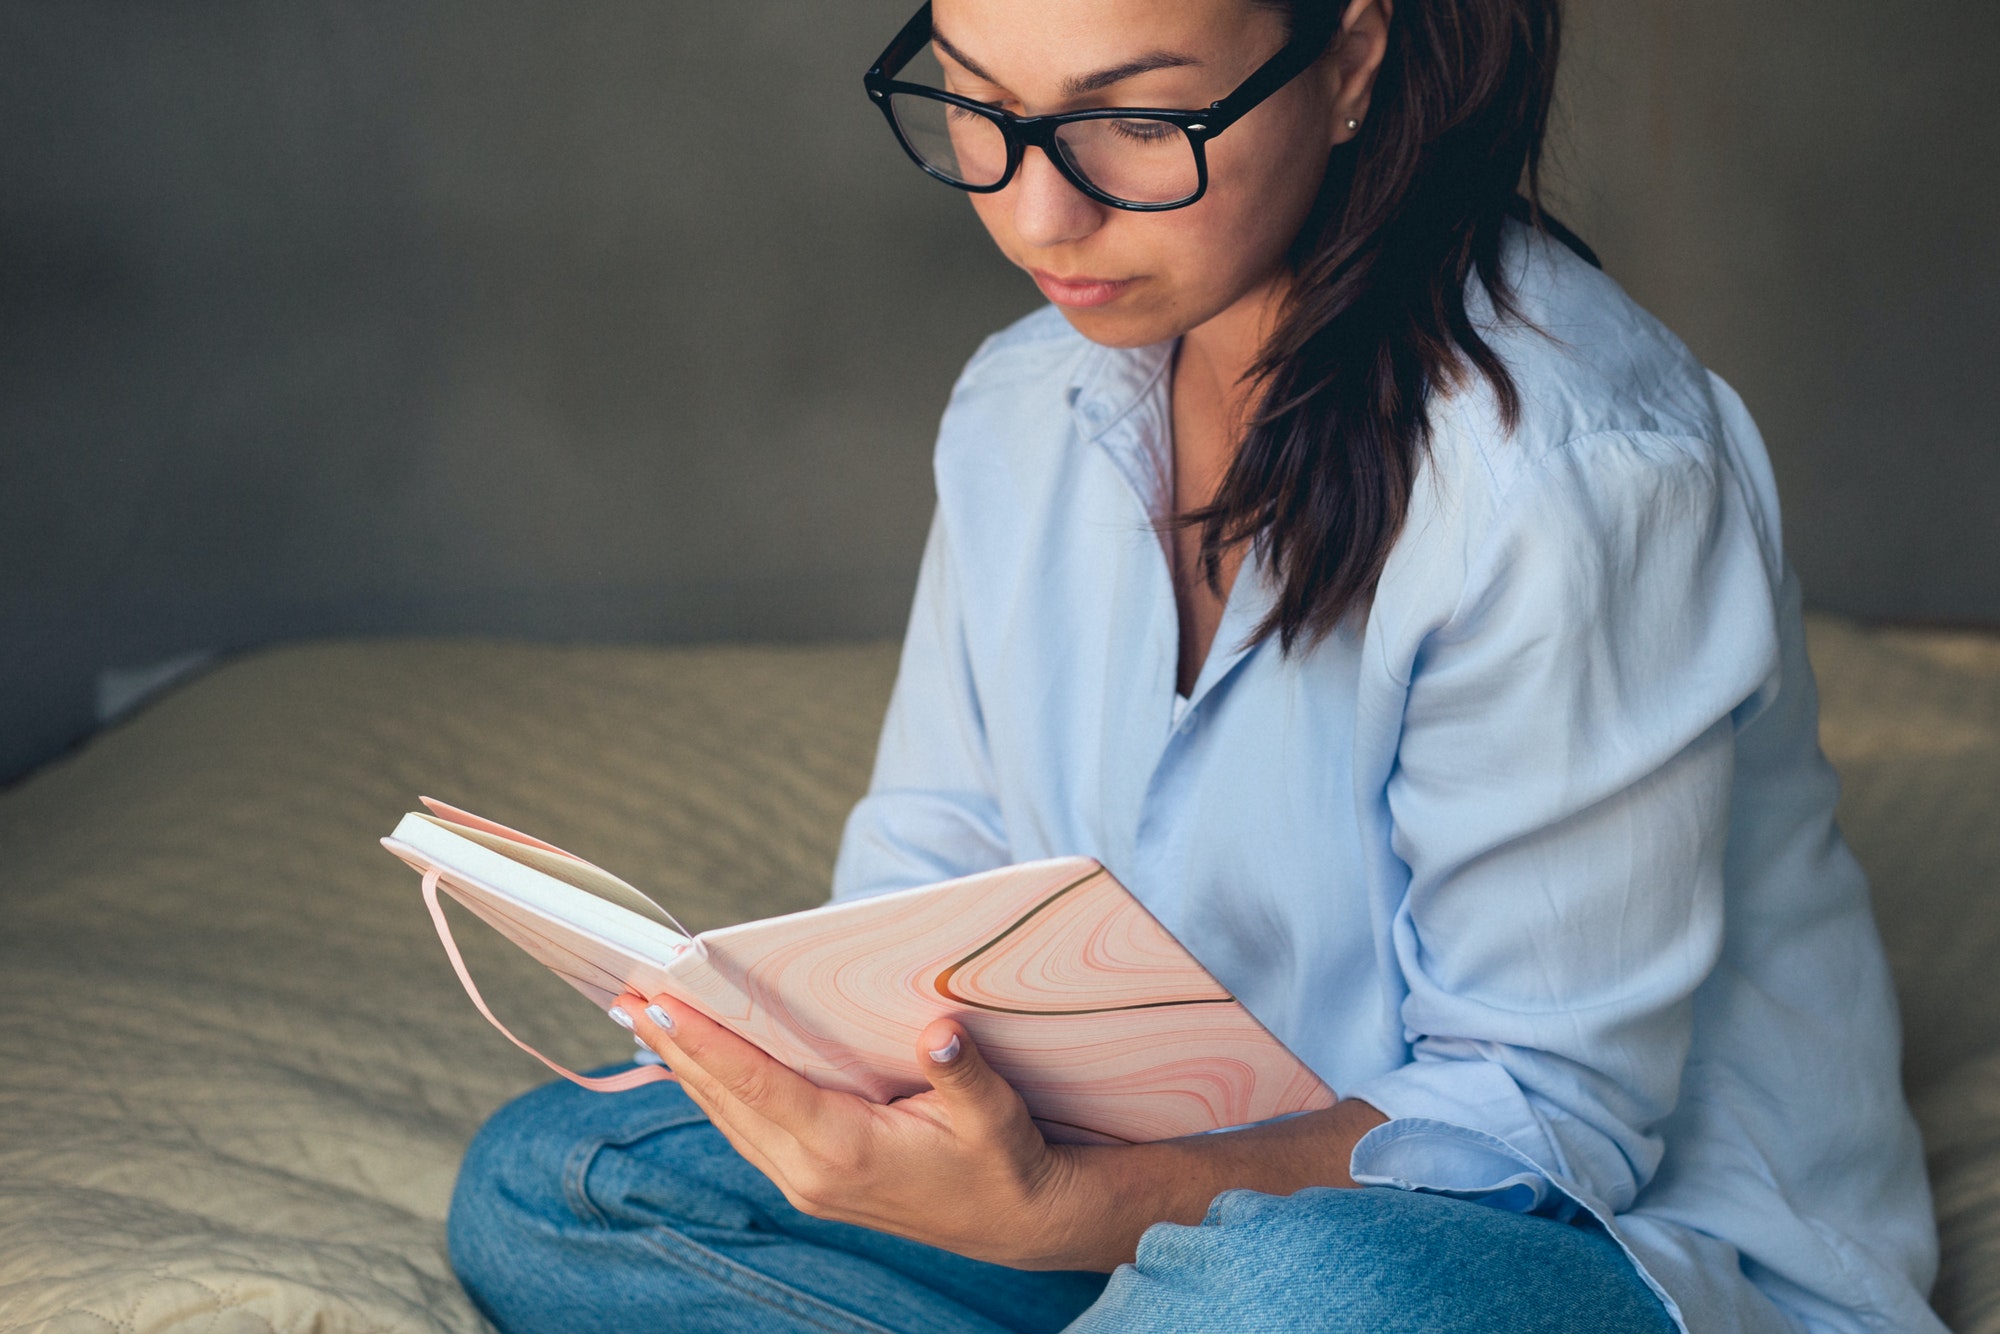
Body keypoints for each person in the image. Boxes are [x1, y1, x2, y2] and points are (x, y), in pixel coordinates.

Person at [445, 0, 1946, 1329]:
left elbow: (1536, 1135)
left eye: (1131, 121)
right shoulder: (1023, 410)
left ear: (1350, 58)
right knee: (560, 1179)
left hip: (1567, 1248)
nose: (1039, 217)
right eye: (975, 101)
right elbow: (928, 868)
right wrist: (850, 1081)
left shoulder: (1568, 478)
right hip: (1119, 1196)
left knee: (1289, 1292)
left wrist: (1055, 1215)